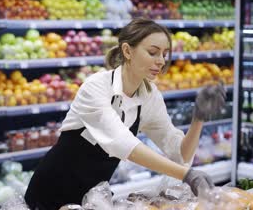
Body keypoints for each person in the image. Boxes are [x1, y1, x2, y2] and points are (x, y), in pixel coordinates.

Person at [24, 18, 226, 210]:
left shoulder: (149, 96)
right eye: (153, 52)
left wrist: (198, 119)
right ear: (128, 51)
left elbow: (179, 154)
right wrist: (186, 175)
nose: (161, 61)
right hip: (50, 193)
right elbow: (123, 143)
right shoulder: (96, 87)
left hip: (93, 198)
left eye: (165, 53)